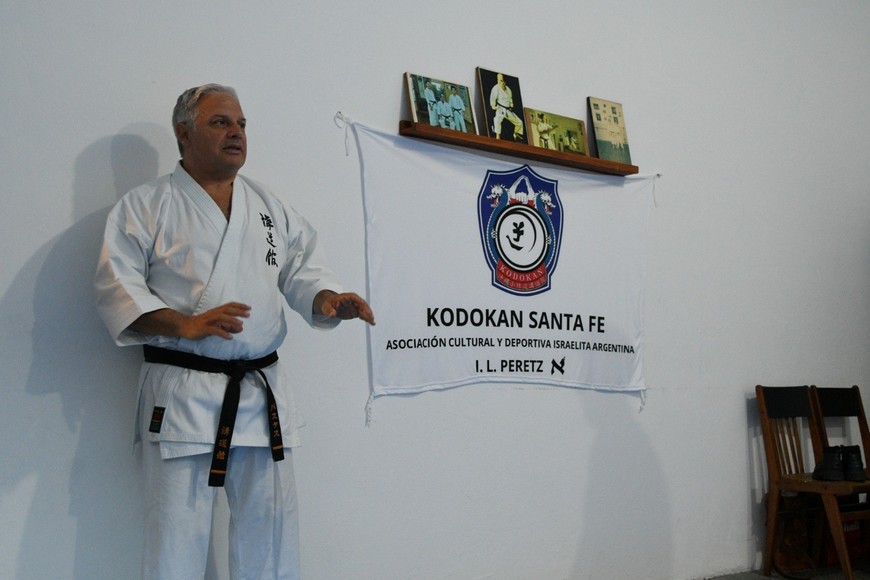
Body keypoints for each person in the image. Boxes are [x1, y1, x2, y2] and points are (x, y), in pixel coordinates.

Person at [94, 83, 375, 580]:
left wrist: (327, 299)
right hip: (183, 394)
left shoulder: (268, 206)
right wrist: (184, 324)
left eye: (241, 124)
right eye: (220, 122)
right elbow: (117, 288)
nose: (236, 133)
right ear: (184, 134)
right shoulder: (145, 206)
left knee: (271, 533)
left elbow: (302, 270)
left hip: (260, 393)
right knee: (176, 541)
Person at [488, 73, 524, 141]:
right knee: (497, 120)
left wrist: (511, 103)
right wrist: (493, 105)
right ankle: (497, 136)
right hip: (500, 108)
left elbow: (510, 99)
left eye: (501, 81)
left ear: (505, 81)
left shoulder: (508, 89)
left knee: (519, 122)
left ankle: (516, 133)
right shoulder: (495, 88)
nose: (499, 82)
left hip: (507, 109)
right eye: (498, 80)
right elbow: (492, 98)